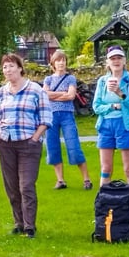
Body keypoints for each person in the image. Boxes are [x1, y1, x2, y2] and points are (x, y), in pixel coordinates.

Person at [0, 53, 52, 239]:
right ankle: (18, 223)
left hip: (28, 144)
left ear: (20, 68)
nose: (7, 70)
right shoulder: (2, 92)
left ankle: (29, 226)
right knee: (12, 186)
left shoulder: (35, 90)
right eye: (5, 67)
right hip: (6, 143)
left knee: (26, 185)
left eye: (11, 66)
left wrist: (35, 138)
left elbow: (46, 118)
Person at [92, 46, 129, 187]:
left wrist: (120, 94)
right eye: (112, 58)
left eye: (119, 58)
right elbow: (96, 107)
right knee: (105, 169)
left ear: (124, 60)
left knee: (128, 169)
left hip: (125, 125)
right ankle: (104, 199)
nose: (116, 61)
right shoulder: (103, 81)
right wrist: (112, 106)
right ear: (107, 62)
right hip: (105, 125)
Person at [42, 50, 92, 190]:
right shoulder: (48, 79)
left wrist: (53, 95)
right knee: (52, 147)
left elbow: (70, 96)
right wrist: (61, 94)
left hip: (67, 115)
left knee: (74, 146)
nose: (61, 63)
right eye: (58, 60)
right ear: (53, 63)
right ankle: (60, 180)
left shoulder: (70, 79)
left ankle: (86, 179)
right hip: (51, 116)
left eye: (63, 60)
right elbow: (44, 95)